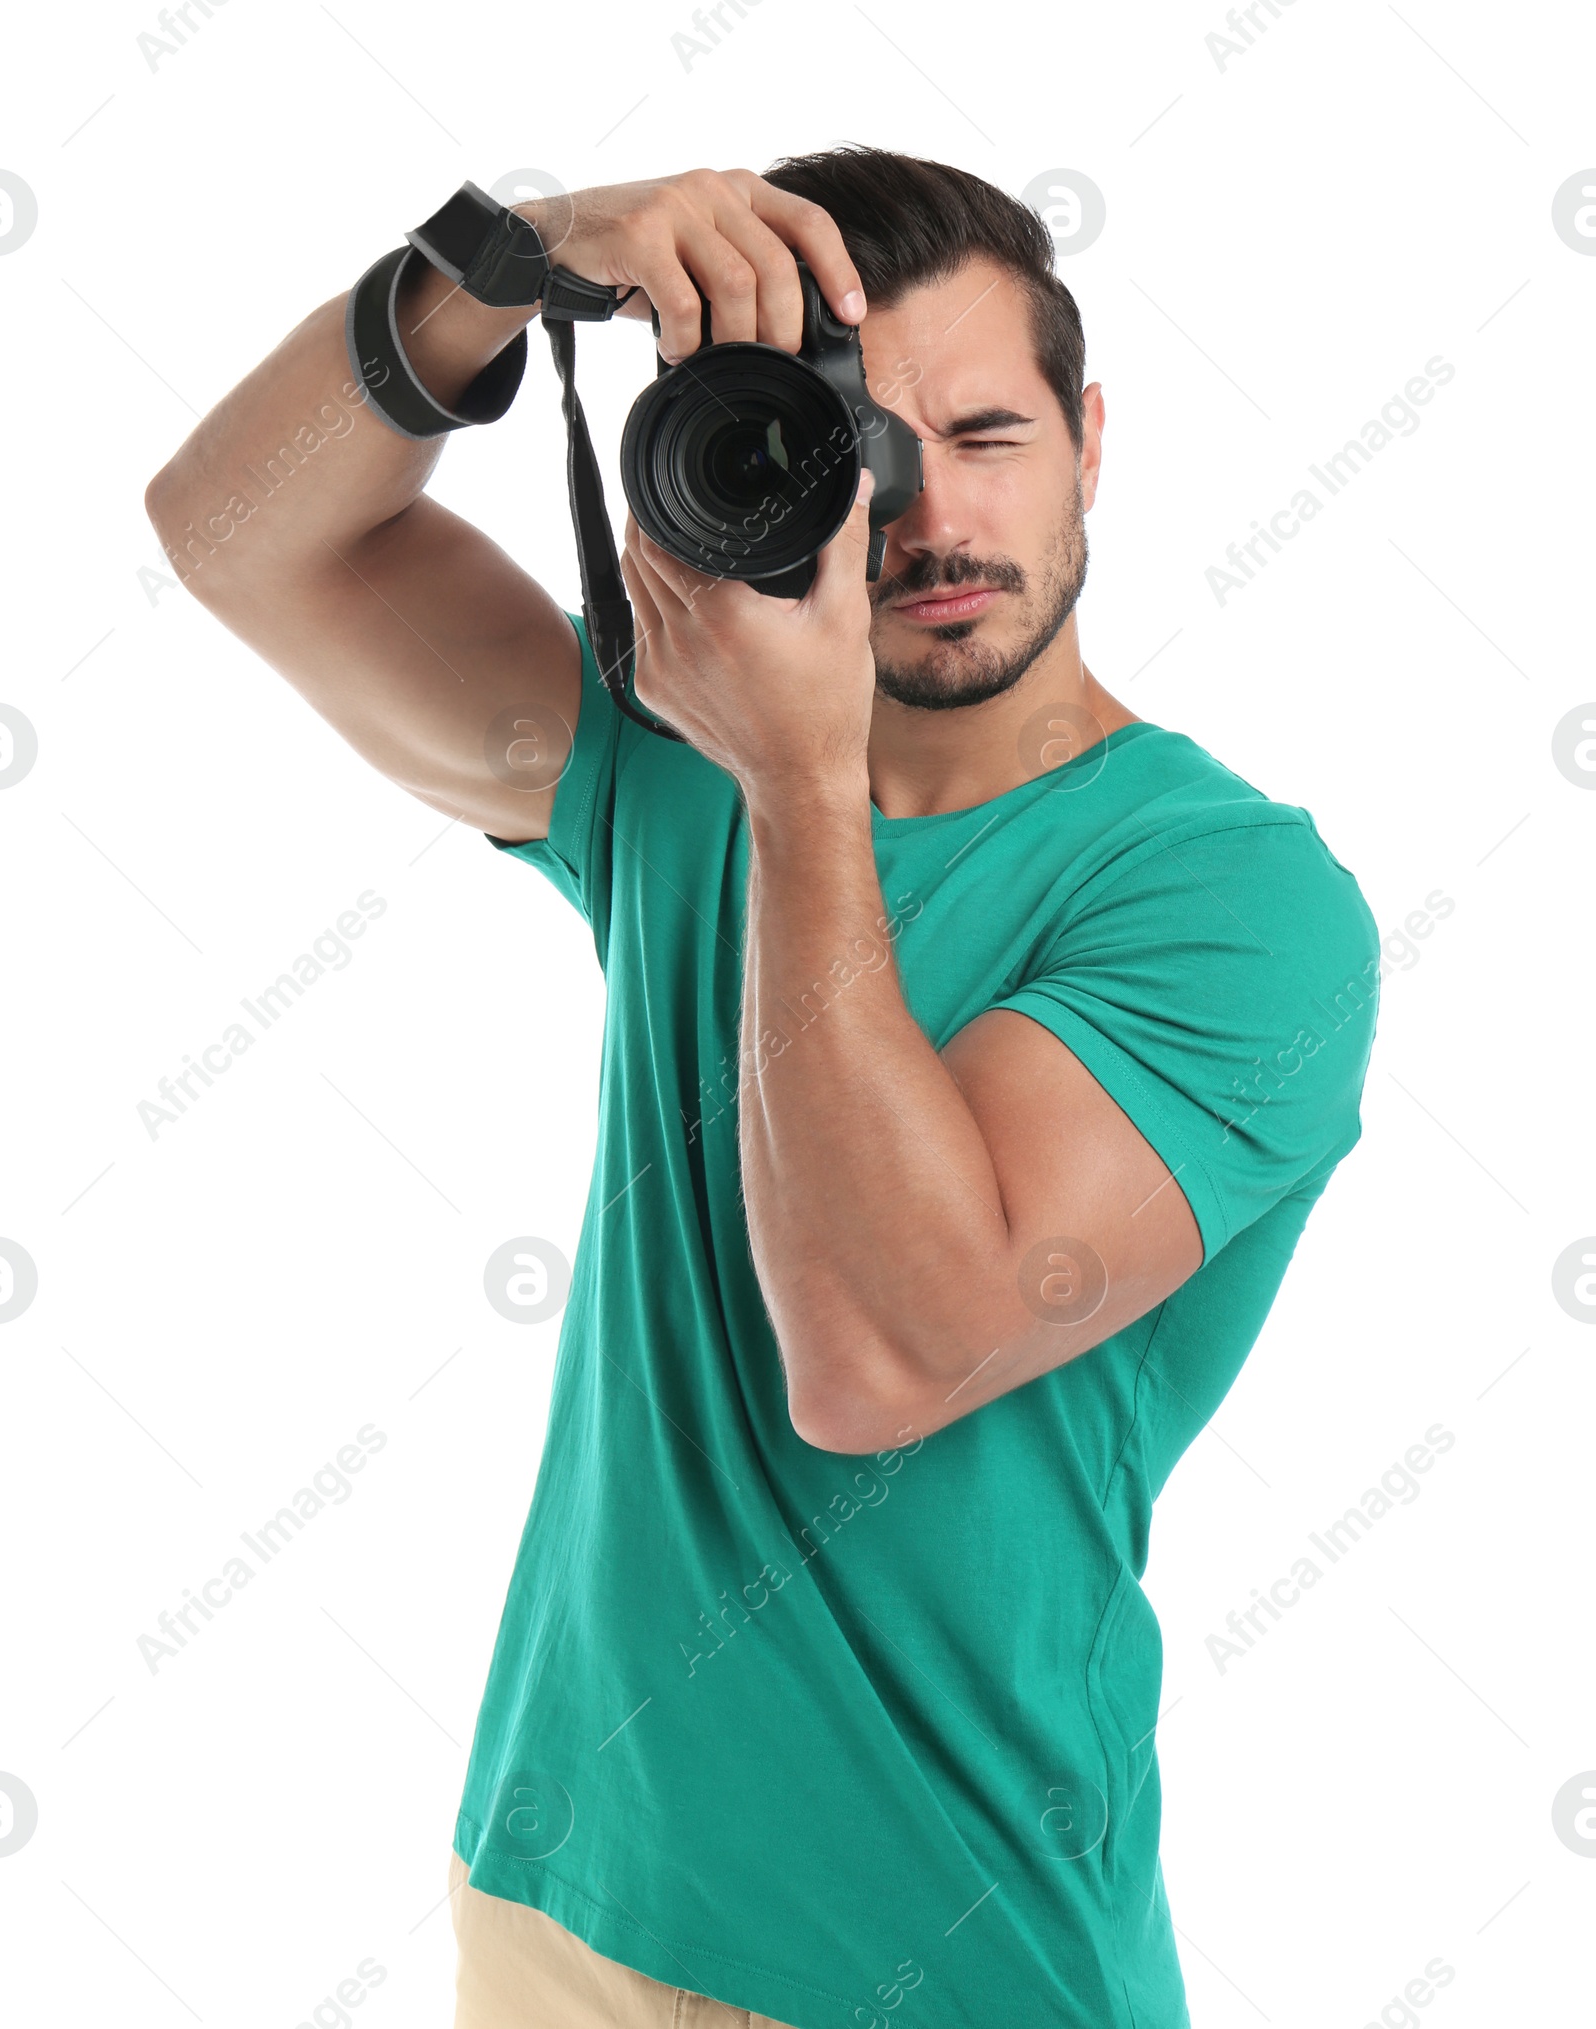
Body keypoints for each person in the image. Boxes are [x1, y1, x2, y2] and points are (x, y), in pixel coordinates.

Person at [145, 145, 1381, 2029]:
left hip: (944, 1964)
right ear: (740, 467)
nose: (930, 515)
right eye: (858, 451)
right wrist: (513, 259)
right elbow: (239, 528)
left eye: (988, 434)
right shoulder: (674, 753)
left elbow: (880, 1356)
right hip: (560, 1893)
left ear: (1092, 441)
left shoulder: (1235, 899)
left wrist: (806, 785)